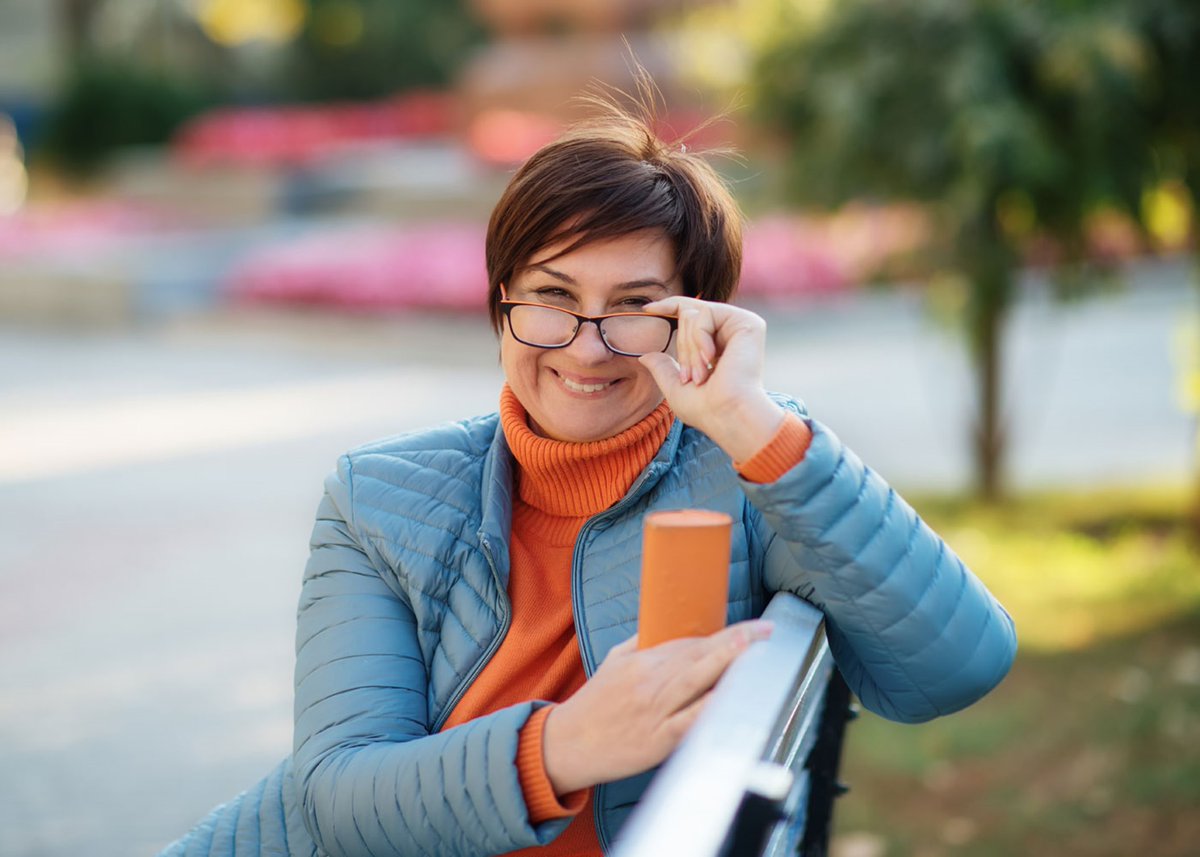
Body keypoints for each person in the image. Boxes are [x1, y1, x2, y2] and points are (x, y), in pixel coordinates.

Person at [161, 96, 1016, 857]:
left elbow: (959, 663)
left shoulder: (750, 476)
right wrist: (569, 744)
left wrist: (751, 420)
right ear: (501, 303)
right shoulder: (376, 497)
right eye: (553, 297)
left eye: (636, 307)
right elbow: (339, 800)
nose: (586, 345)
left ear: (697, 321)